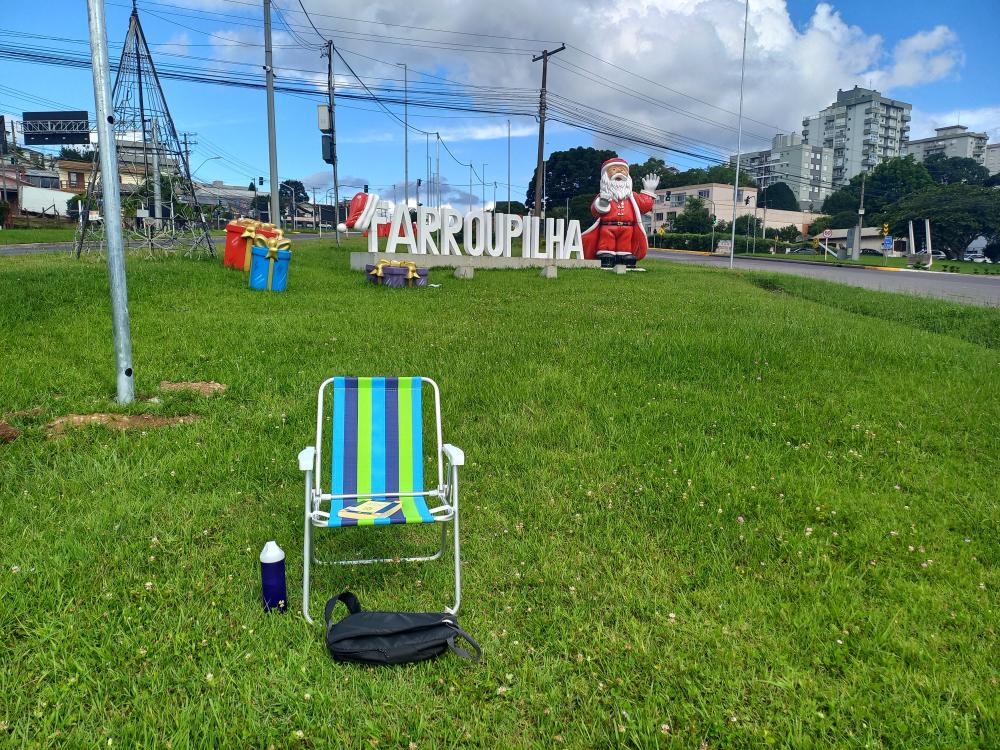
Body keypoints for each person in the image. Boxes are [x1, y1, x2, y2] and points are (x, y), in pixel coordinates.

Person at [581, 157, 660, 269]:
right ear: (605, 176)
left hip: (628, 228)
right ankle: (606, 255)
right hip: (607, 227)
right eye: (613, 169)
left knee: (625, 244)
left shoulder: (633, 196)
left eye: (623, 169)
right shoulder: (603, 195)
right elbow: (594, 211)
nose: (619, 172)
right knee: (606, 242)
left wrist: (649, 191)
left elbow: (644, 206)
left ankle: (624, 256)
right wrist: (602, 204)